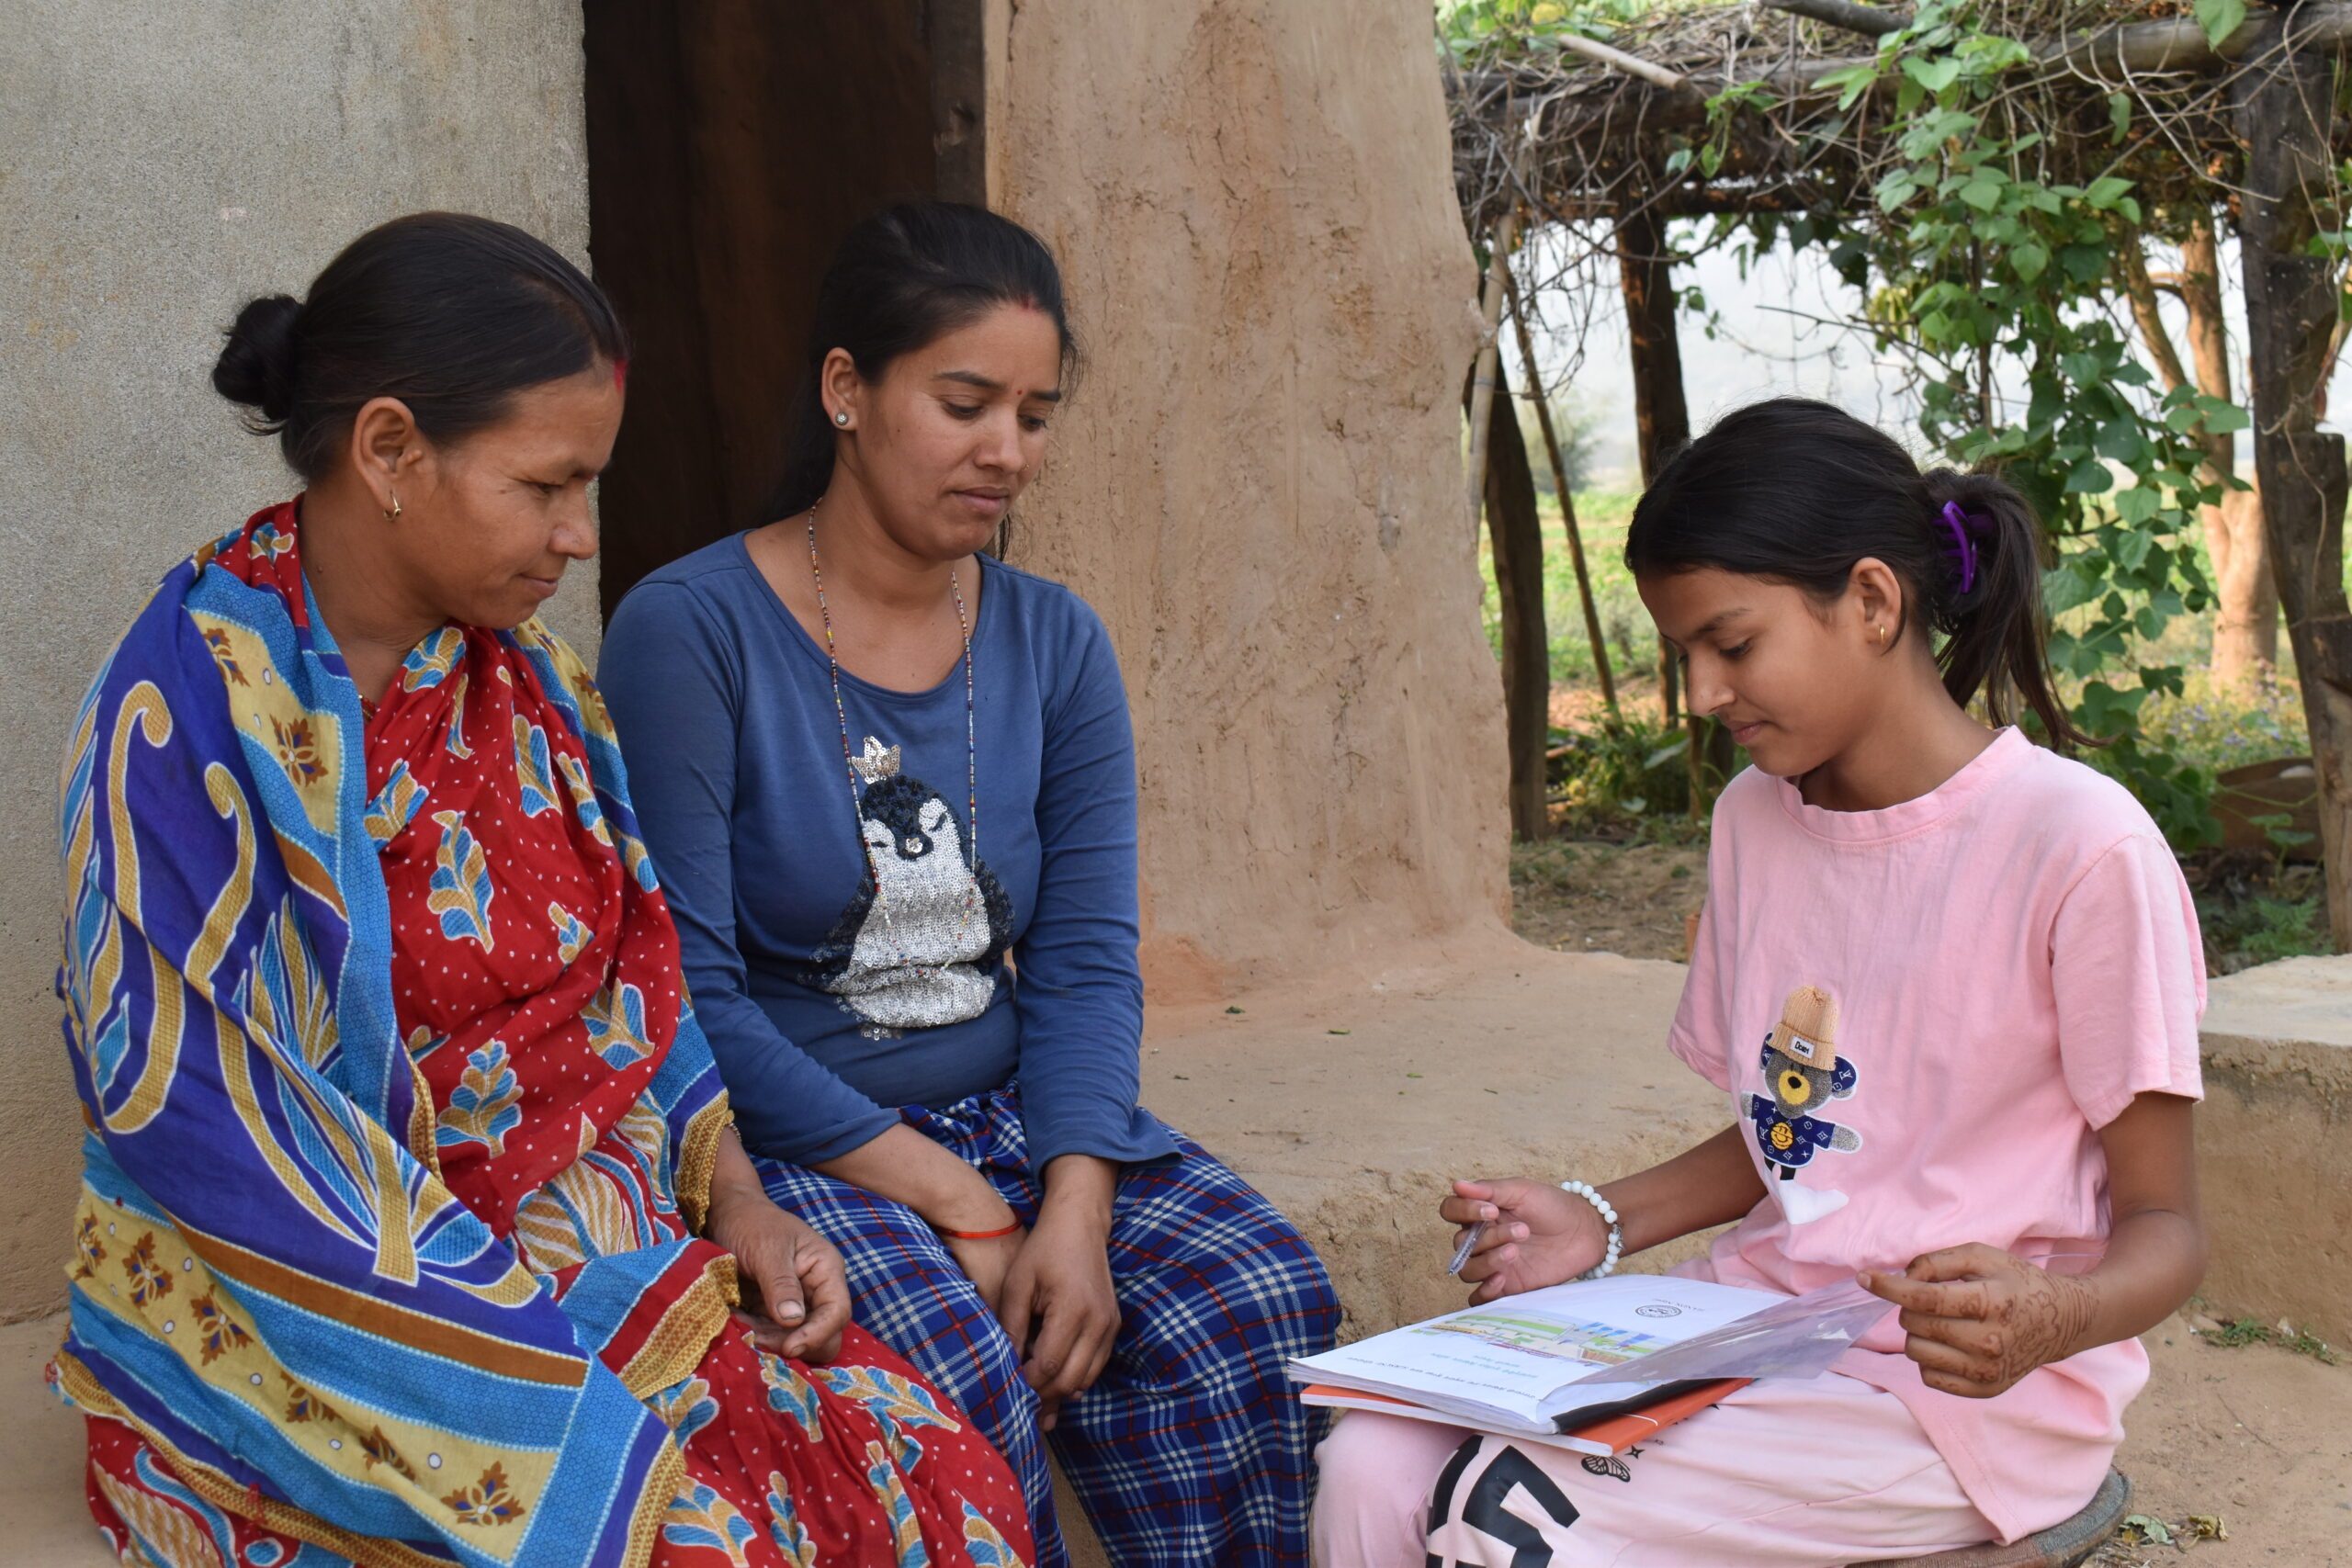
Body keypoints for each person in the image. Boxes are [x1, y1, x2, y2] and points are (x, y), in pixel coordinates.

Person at [51, 212, 1035, 1568]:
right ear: (391, 449)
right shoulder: (192, 717)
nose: (581, 537)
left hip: (606, 1255)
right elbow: (211, 1123)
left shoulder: (534, 693)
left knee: (943, 1488)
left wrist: (739, 1198)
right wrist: (534, 1385)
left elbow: (644, 989)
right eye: (546, 485)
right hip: (332, 1313)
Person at [1313, 399, 2209, 1566]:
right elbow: (1807, 1138)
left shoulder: (2079, 846)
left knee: (1508, 1519)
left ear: (1874, 602)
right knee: (1369, 1462)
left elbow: (2167, 1225)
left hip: (1960, 1396)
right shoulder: (1755, 820)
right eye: (1682, 654)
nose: (1699, 694)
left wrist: (2055, 1316)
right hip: (1761, 1326)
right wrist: (1598, 1218)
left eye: (1730, 645)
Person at [598, 200, 1340, 1568]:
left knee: (1261, 1295)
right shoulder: (689, 631)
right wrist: (961, 1201)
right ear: (845, 390)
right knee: (942, 1365)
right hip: (807, 1138)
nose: (1007, 449)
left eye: (1036, 413)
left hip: (1018, 1112)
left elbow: (1083, 964)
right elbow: (685, 998)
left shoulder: (1056, 641)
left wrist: (1071, 1200)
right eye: (964, 401)